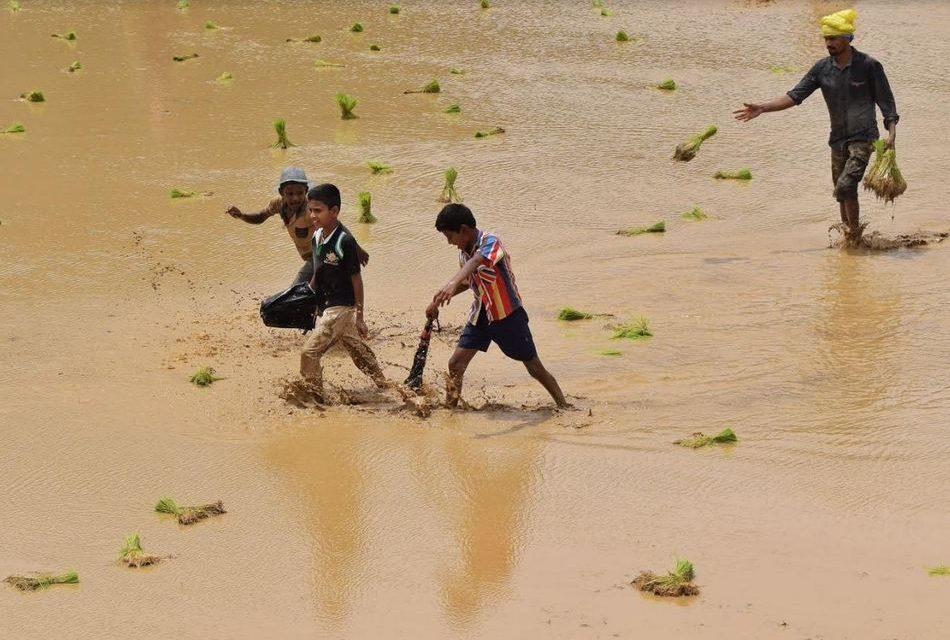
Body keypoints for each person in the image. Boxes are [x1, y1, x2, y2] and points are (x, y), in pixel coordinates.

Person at [733, 8, 899, 246]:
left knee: (845, 184)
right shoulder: (822, 69)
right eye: (826, 38)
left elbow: (886, 100)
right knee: (841, 192)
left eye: (833, 38)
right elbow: (794, 95)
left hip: (864, 137)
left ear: (847, 38)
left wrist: (891, 133)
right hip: (837, 139)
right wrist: (763, 107)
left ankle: (854, 236)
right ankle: (850, 237)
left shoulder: (869, 65)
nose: (828, 43)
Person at [426, 204, 569, 409]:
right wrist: (436, 300)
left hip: (508, 315)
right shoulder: (463, 253)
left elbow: (477, 261)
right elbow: (468, 282)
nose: (449, 242)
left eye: (450, 236)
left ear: (464, 230)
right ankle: (451, 411)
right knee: (456, 364)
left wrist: (452, 283)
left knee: (533, 366)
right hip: (481, 315)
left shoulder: (491, 242)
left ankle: (564, 406)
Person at [299, 184, 387, 402]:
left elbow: (357, 280)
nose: (312, 215)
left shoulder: (343, 241)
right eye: (311, 210)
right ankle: (385, 385)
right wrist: (309, 293)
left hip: (341, 306)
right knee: (357, 350)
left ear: (335, 211)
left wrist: (360, 317)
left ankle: (316, 397)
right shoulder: (317, 236)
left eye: (318, 211)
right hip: (328, 304)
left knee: (309, 353)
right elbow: (318, 269)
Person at [226, 167, 369, 286]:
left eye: (300, 193)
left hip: (322, 257)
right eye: (290, 193)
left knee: (296, 291)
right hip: (311, 259)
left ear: (306, 191)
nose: (295, 198)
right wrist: (241, 215)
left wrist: (357, 250)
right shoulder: (278, 204)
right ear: (281, 193)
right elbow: (260, 216)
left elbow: (336, 226)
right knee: (311, 295)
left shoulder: (309, 211)